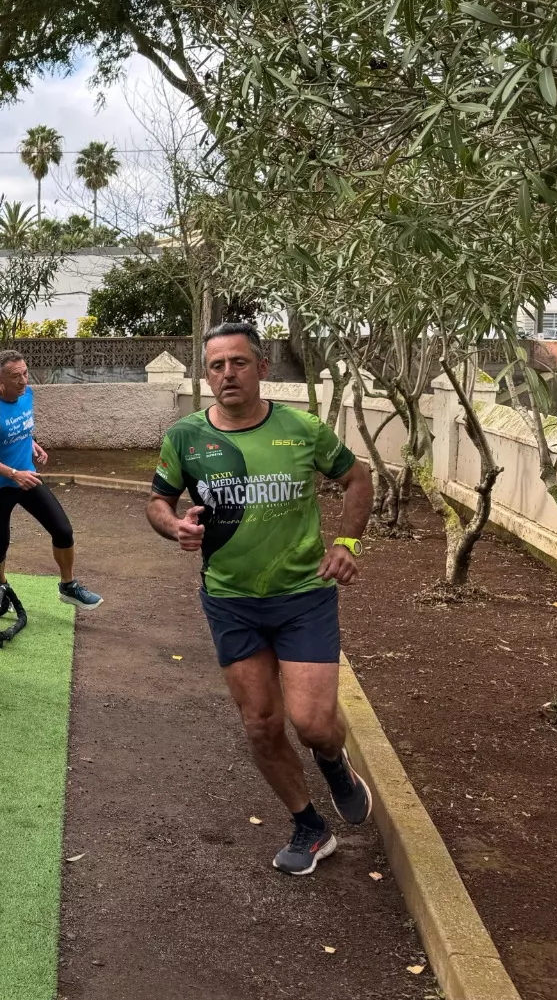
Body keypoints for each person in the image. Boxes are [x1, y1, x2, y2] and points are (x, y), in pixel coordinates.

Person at [147, 321, 374, 875]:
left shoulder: (302, 429)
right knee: (261, 725)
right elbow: (158, 500)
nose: (228, 373)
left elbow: (358, 478)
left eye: (239, 362)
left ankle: (333, 762)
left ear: (262, 368)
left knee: (313, 722)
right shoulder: (185, 437)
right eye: (217, 365)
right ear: (208, 375)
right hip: (230, 601)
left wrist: (347, 543)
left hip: (303, 596)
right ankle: (309, 826)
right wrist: (174, 526)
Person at [0, 350, 102, 611]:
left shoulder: (27, 395)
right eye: (15, 376)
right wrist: (13, 474)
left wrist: (32, 443)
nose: (23, 380)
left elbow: (21, 428)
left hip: (29, 479)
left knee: (62, 530)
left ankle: (68, 586)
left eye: (25, 373)